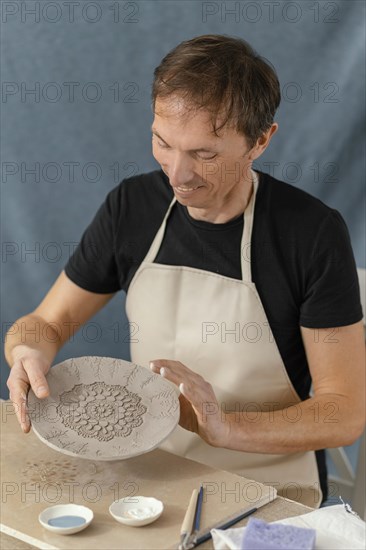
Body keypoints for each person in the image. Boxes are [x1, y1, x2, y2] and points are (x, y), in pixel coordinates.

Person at [5, 34, 365, 508]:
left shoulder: (311, 233)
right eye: (162, 142)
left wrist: (226, 426)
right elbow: (45, 323)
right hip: (144, 476)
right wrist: (27, 350)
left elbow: (344, 412)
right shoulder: (132, 207)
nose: (177, 174)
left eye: (204, 154)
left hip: (267, 488)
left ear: (261, 140)